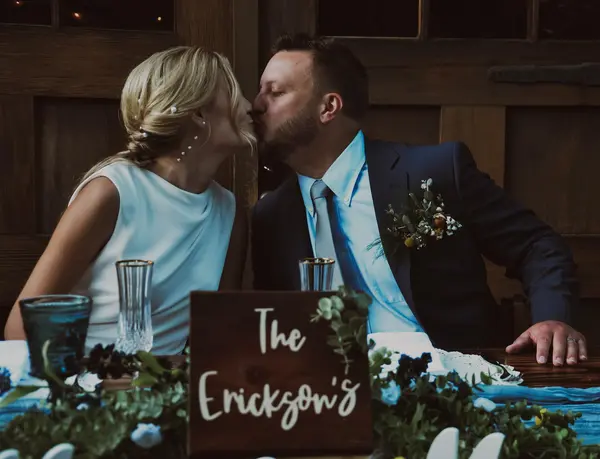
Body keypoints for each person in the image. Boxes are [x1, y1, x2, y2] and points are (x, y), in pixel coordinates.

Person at [251, 33, 587, 366]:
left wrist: (552, 317)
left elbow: (536, 245)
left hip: (457, 381)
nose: (256, 105)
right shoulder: (271, 216)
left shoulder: (434, 172)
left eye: (275, 92)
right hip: (333, 389)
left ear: (328, 107)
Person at [4, 46, 256, 354]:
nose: (249, 105)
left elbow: (219, 334)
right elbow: (21, 328)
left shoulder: (230, 213)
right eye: (234, 91)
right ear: (199, 114)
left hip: (170, 383)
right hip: (85, 378)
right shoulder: (110, 193)